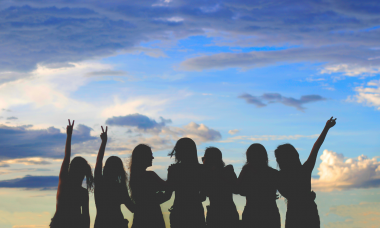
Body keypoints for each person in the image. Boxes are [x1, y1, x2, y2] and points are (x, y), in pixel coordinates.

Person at [275, 117, 337, 228]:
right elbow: (316, 147)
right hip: (309, 213)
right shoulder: (304, 170)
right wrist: (326, 128)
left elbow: (290, 195)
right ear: (295, 156)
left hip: (293, 214)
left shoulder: (278, 176)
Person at [50, 119, 94, 228]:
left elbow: (67, 157)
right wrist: (69, 135)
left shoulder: (64, 183)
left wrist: (69, 135)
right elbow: (86, 217)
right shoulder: (80, 191)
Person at [94, 126, 135, 228]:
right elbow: (132, 208)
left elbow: (98, 162)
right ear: (120, 171)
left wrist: (104, 142)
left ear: (106, 168)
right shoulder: (120, 187)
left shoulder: (100, 183)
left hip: (100, 223)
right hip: (118, 223)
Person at [237, 143, 280, 228]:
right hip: (270, 212)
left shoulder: (246, 172)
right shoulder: (273, 173)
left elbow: (238, 189)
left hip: (251, 212)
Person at [166, 137, 206, 228]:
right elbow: (203, 197)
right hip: (196, 212)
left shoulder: (174, 169)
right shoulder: (201, 169)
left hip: (178, 211)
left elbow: (167, 195)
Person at [129, 144, 170, 228]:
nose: (152, 158)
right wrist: (171, 173)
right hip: (154, 219)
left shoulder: (134, 177)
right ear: (144, 157)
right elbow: (168, 187)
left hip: (139, 219)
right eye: (150, 155)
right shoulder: (150, 175)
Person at [201, 147, 239, 228]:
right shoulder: (228, 171)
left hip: (214, 213)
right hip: (230, 211)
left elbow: (203, 196)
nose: (203, 161)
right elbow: (236, 189)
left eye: (203, 158)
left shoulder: (207, 175)